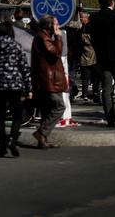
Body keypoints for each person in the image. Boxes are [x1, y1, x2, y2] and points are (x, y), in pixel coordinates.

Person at [0, 20, 31, 157]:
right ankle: (13, 140)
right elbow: (24, 68)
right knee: (17, 114)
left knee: (0, 115)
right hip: (15, 84)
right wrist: (29, 88)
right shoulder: (17, 46)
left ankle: (2, 145)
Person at [31, 15, 67, 148]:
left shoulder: (44, 37)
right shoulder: (43, 38)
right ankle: (42, 132)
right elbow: (55, 53)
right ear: (49, 26)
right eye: (56, 24)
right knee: (59, 106)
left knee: (47, 109)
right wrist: (58, 37)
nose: (58, 26)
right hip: (48, 80)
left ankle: (43, 139)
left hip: (49, 79)